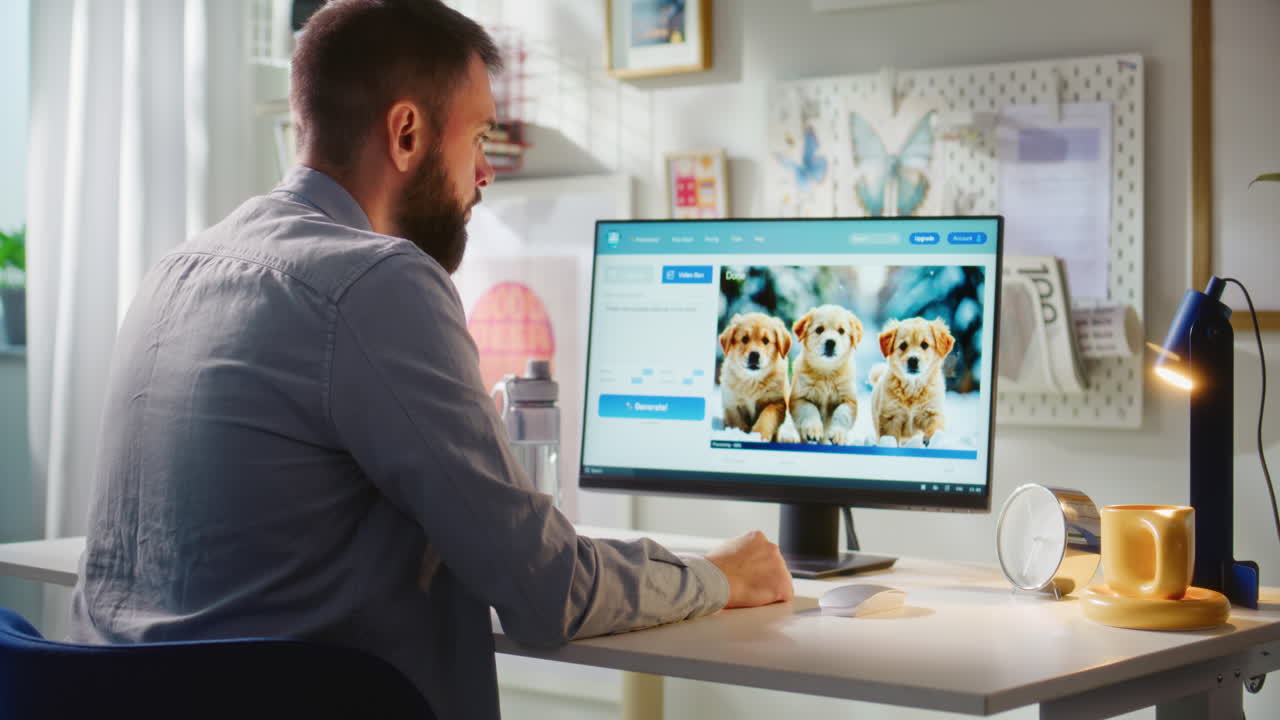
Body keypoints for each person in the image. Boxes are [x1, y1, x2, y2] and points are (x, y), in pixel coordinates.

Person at [67, 1, 793, 718]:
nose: (486, 173)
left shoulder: (177, 268)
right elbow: (545, 591)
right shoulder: (378, 281)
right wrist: (715, 576)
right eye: (478, 137)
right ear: (408, 132)